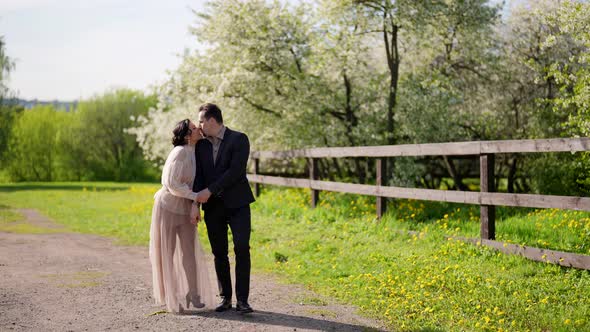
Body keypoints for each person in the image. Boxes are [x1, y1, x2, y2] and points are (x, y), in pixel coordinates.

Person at [194, 103, 256, 314]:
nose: (199, 125)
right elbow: (198, 176)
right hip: (213, 209)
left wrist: (210, 190)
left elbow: (235, 172)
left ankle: (243, 301)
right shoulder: (200, 146)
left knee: (241, 248)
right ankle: (225, 298)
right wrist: (195, 203)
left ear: (212, 120)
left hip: (238, 204)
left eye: (201, 120)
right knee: (219, 252)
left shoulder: (239, 139)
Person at [149, 119, 215, 314]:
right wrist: (196, 197)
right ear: (187, 135)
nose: (199, 129)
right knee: (167, 254)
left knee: (189, 252)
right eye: (195, 128)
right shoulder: (179, 153)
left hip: (186, 208)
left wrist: (195, 204)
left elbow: (198, 183)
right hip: (168, 207)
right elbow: (172, 184)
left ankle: (193, 293)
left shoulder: (197, 151)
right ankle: (172, 297)